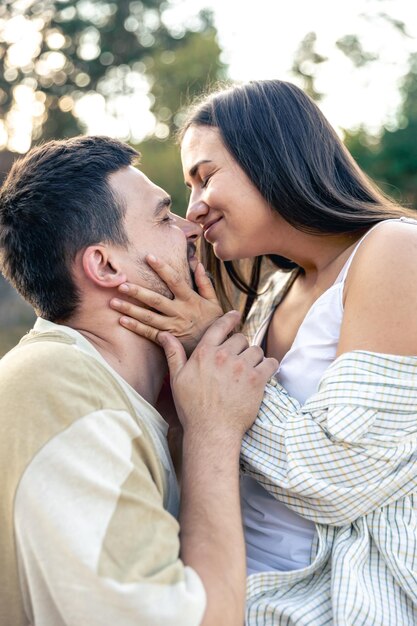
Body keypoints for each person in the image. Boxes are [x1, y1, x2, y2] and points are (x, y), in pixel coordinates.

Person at [110, 80, 417, 624]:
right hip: (232, 583)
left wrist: (208, 344)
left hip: (322, 599)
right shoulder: (275, 293)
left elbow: (340, 482)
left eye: (205, 178)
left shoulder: (395, 251)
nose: (194, 210)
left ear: (274, 154)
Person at [0, 135, 278, 626]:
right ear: (104, 265)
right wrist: (212, 433)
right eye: (163, 216)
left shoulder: (117, 395)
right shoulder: (58, 391)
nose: (191, 227)